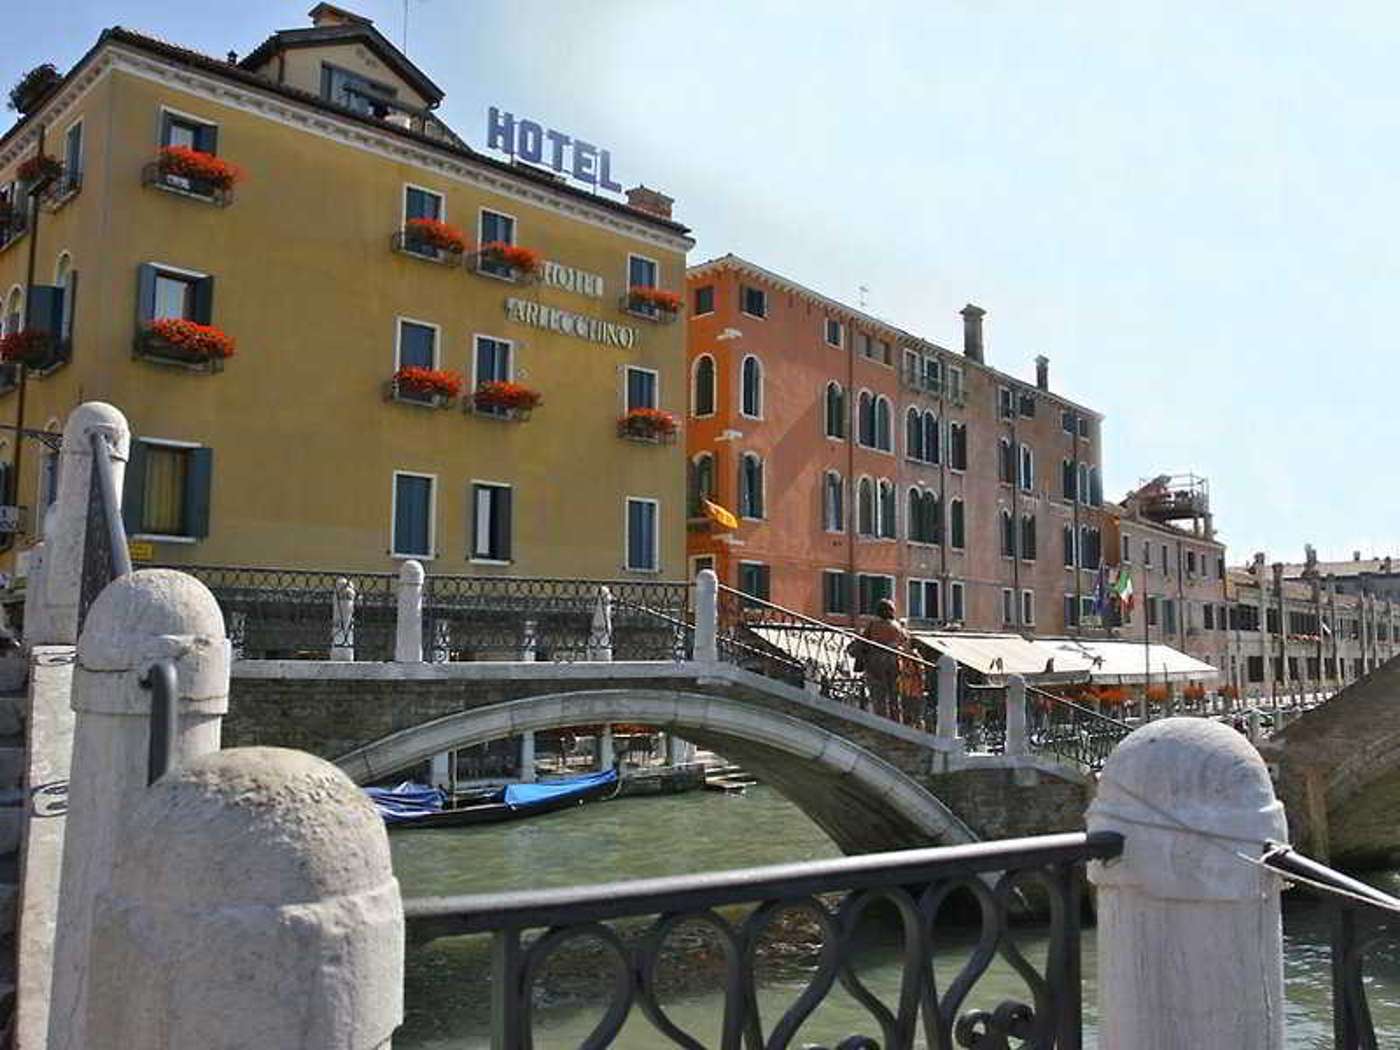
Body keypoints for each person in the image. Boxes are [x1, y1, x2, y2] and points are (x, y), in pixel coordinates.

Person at [849, 599, 911, 720]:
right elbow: (905, 641)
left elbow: (862, 642)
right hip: (894, 663)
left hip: (875, 663)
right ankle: (896, 723)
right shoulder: (898, 627)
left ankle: (882, 723)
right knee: (894, 697)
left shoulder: (873, 625)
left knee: (878, 696)